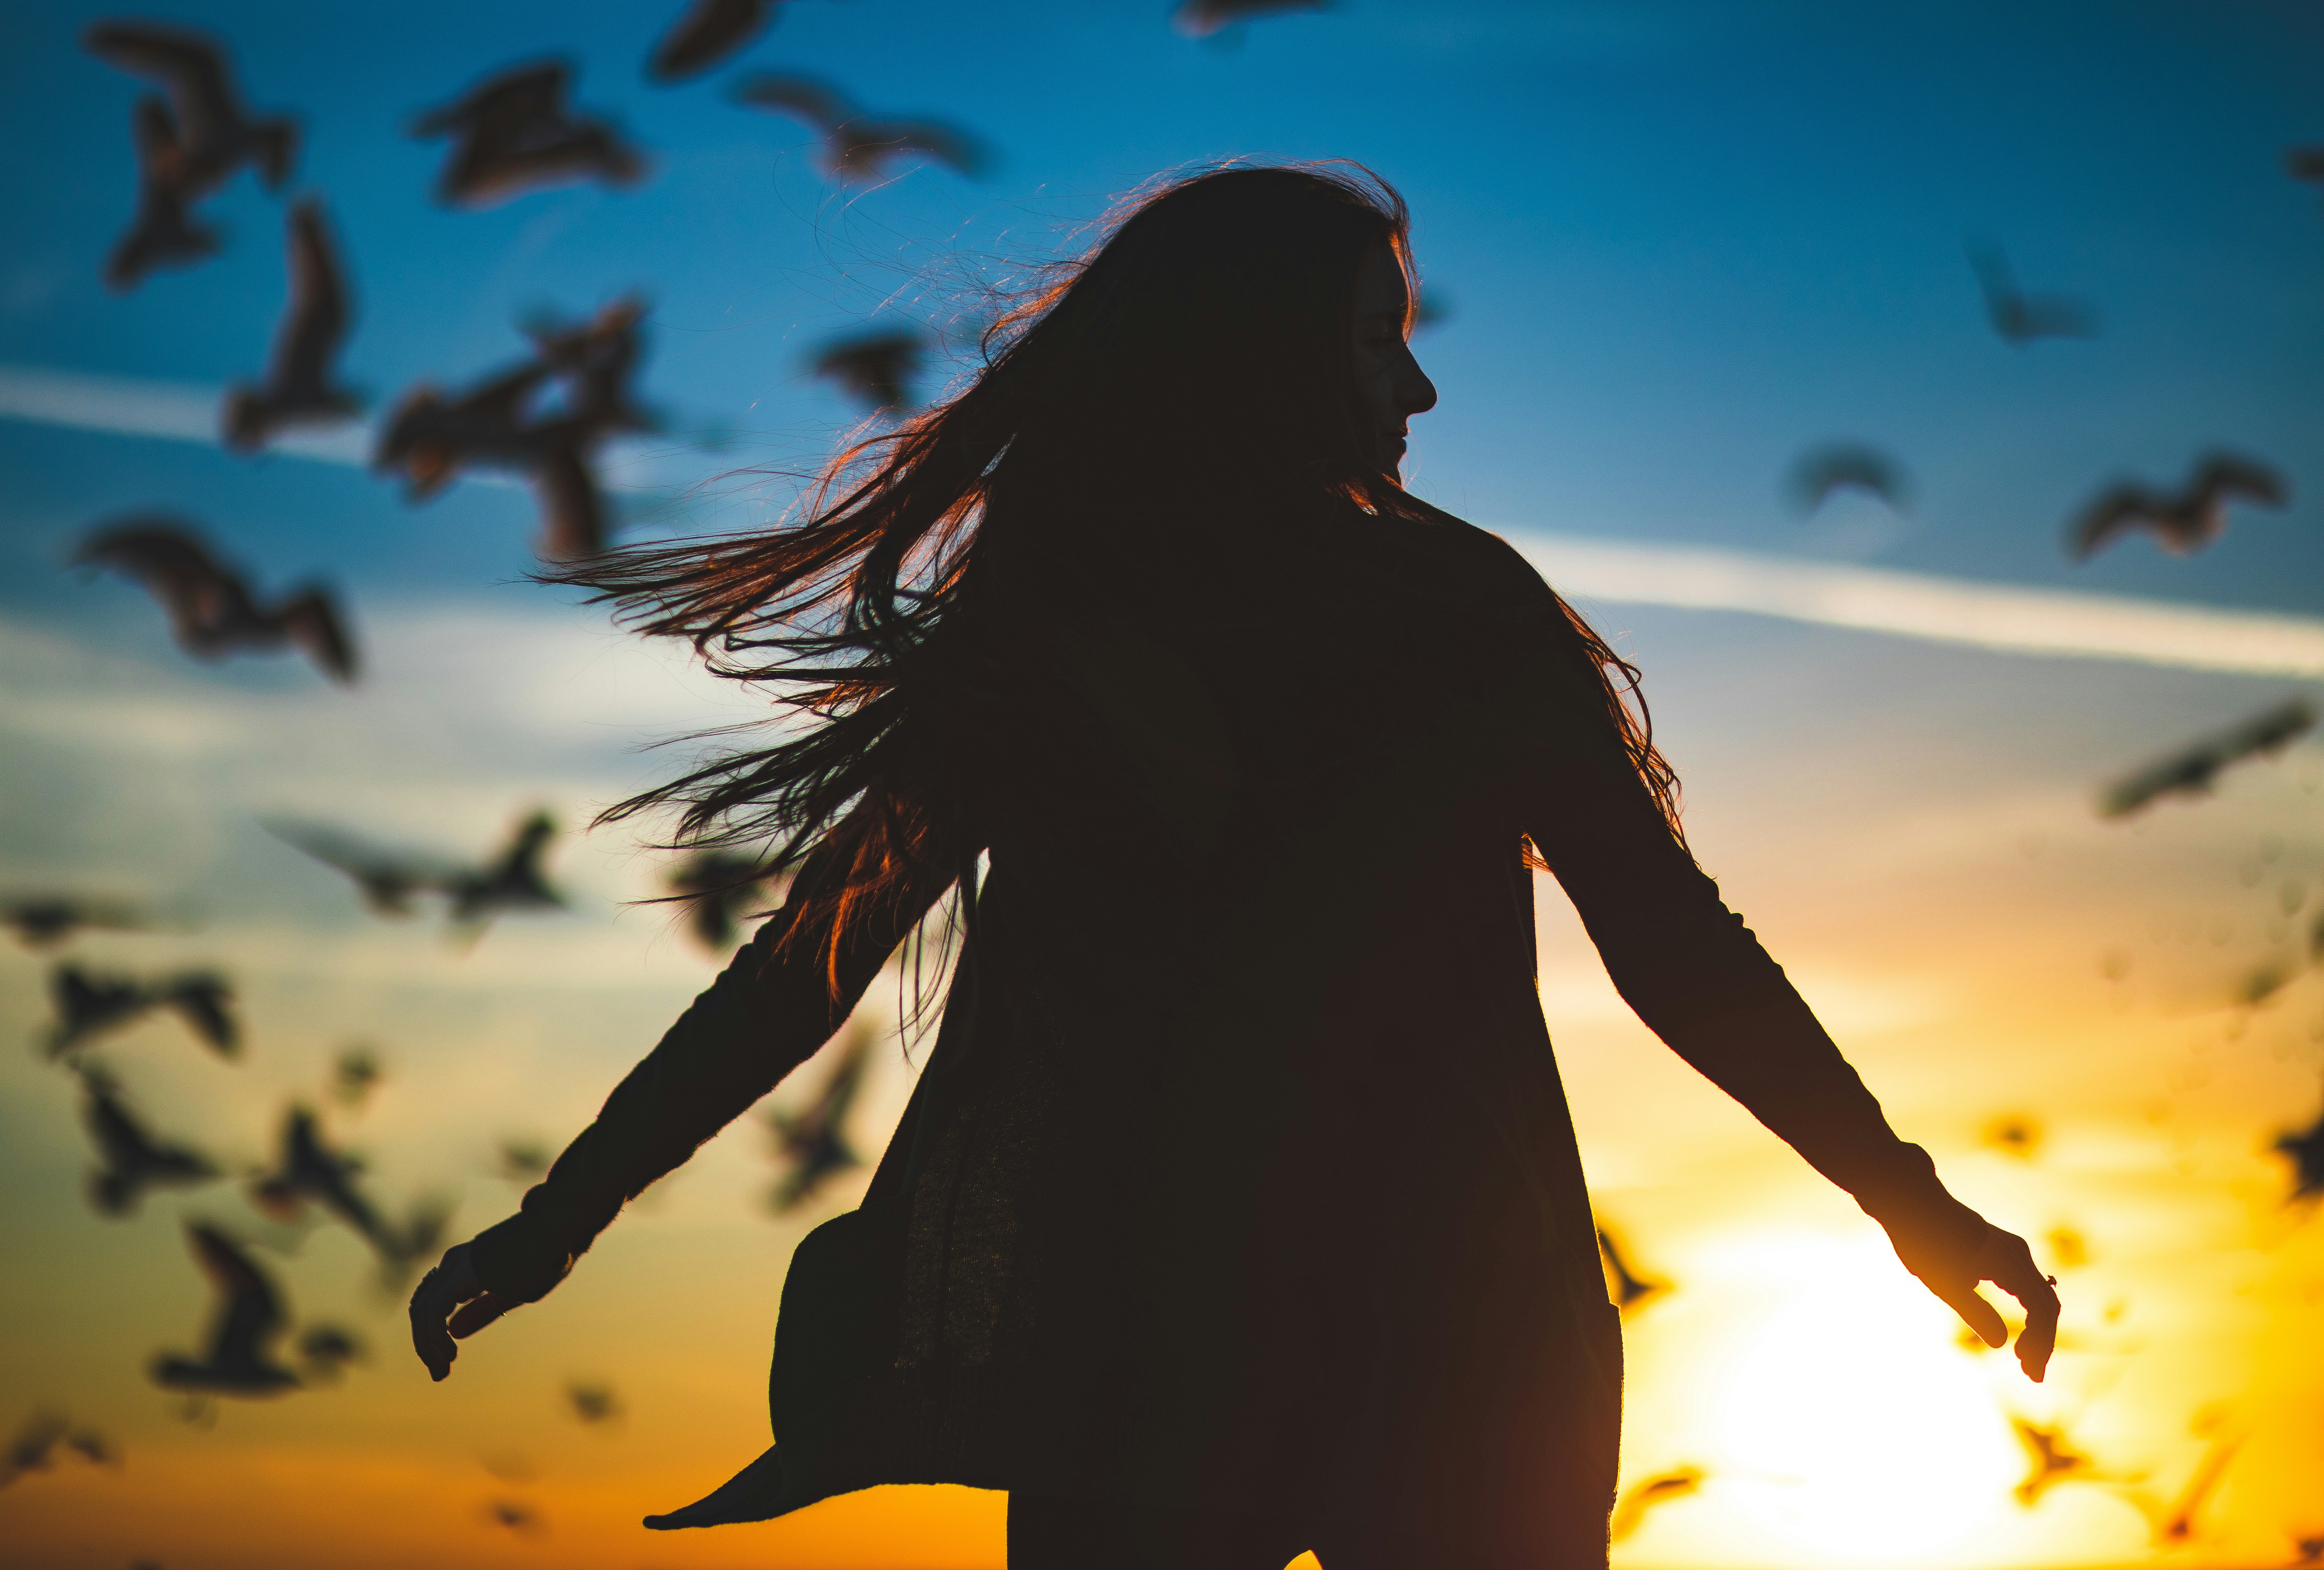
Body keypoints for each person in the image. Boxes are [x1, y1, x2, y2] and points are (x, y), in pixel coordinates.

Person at [409, 162, 2060, 1568]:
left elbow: (806, 968)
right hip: (1450, 1337)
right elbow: (1668, 939)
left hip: (1147, 1342)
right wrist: (1907, 1203)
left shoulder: (1068, 634)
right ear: (1264, 364)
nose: (1416, 394)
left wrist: (559, 1225)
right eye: (1374, 346)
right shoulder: (1452, 610)